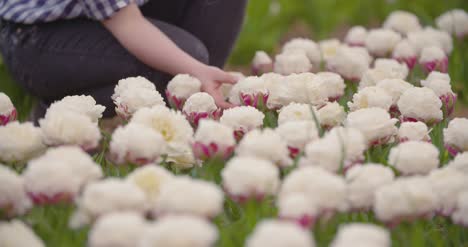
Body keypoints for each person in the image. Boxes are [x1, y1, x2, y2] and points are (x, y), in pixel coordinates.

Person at [0, 0, 247, 118]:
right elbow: (127, 24)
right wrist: (194, 68)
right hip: (37, 38)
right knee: (182, 64)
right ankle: (56, 117)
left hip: (113, 14)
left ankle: (198, 112)